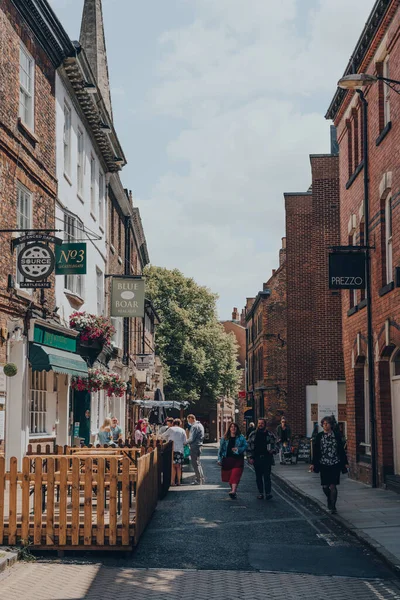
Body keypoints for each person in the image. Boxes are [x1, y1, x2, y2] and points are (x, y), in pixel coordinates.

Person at [310, 415, 349, 514]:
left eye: (327, 423)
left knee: (333, 485)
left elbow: (341, 450)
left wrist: (345, 463)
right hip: (323, 464)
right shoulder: (319, 436)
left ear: (331, 425)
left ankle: (333, 507)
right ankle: (329, 499)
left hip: (335, 463)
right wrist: (313, 464)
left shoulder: (336, 435)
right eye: (323, 424)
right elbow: (316, 451)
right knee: (325, 486)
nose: (325, 425)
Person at [247, 418, 278, 500]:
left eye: (262, 423)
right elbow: (249, 446)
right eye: (259, 423)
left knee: (267, 476)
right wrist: (250, 457)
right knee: (258, 477)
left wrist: (273, 450)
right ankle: (261, 493)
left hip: (267, 458)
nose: (260, 425)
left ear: (265, 425)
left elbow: (276, 445)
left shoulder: (270, 435)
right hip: (257, 458)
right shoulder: (253, 434)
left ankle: (268, 493)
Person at [217, 422, 247, 499]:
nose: (233, 428)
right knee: (229, 478)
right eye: (231, 427)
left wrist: (239, 449)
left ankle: (233, 491)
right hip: (227, 459)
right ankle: (233, 490)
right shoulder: (224, 438)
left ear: (237, 429)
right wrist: (219, 459)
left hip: (238, 460)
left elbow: (246, 446)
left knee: (235, 475)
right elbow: (220, 449)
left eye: (235, 427)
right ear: (229, 429)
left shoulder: (241, 438)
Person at [162, 418, 187, 486]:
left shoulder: (171, 429)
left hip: (172, 449)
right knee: (179, 467)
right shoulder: (182, 430)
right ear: (180, 424)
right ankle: (179, 481)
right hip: (180, 450)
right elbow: (185, 441)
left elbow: (163, 436)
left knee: (173, 466)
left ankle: (172, 481)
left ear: (173, 423)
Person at [185, 414, 205, 485]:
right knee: (198, 463)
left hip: (194, 446)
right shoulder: (200, 425)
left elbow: (191, 438)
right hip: (199, 445)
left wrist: (185, 442)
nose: (188, 422)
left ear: (191, 418)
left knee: (195, 463)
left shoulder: (194, 426)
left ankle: (198, 479)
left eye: (188, 420)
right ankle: (201, 478)